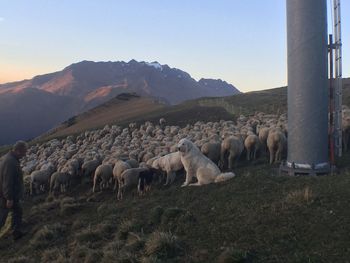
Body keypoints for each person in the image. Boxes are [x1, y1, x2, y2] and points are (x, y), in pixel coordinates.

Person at [0, 141, 27, 241]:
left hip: (10, 195)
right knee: (2, 218)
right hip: (6, 196)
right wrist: (9, 198)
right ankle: (16, 232)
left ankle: (16, 233)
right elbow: (7, 181)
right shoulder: (10, 162)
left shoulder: (10, 158)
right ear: (18, 151)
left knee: (18, 211)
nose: (24, 155)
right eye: (24, 153)